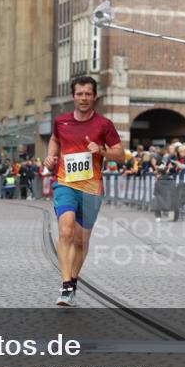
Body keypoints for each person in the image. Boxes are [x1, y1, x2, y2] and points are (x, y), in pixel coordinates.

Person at [44, 75, 124, 306]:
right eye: (80, 94)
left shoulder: (104, 125)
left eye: (88, 94)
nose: (84, 98)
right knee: (66, 231)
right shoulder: (61, 121)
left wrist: (100, 150)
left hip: (91, 188)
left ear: (95, 96)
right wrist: (51, 156)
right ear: (73, 96)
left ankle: (74, 280)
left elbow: (120, 154)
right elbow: (54, 140)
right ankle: (66, 284)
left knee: (80, 241)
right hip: (65, 183)